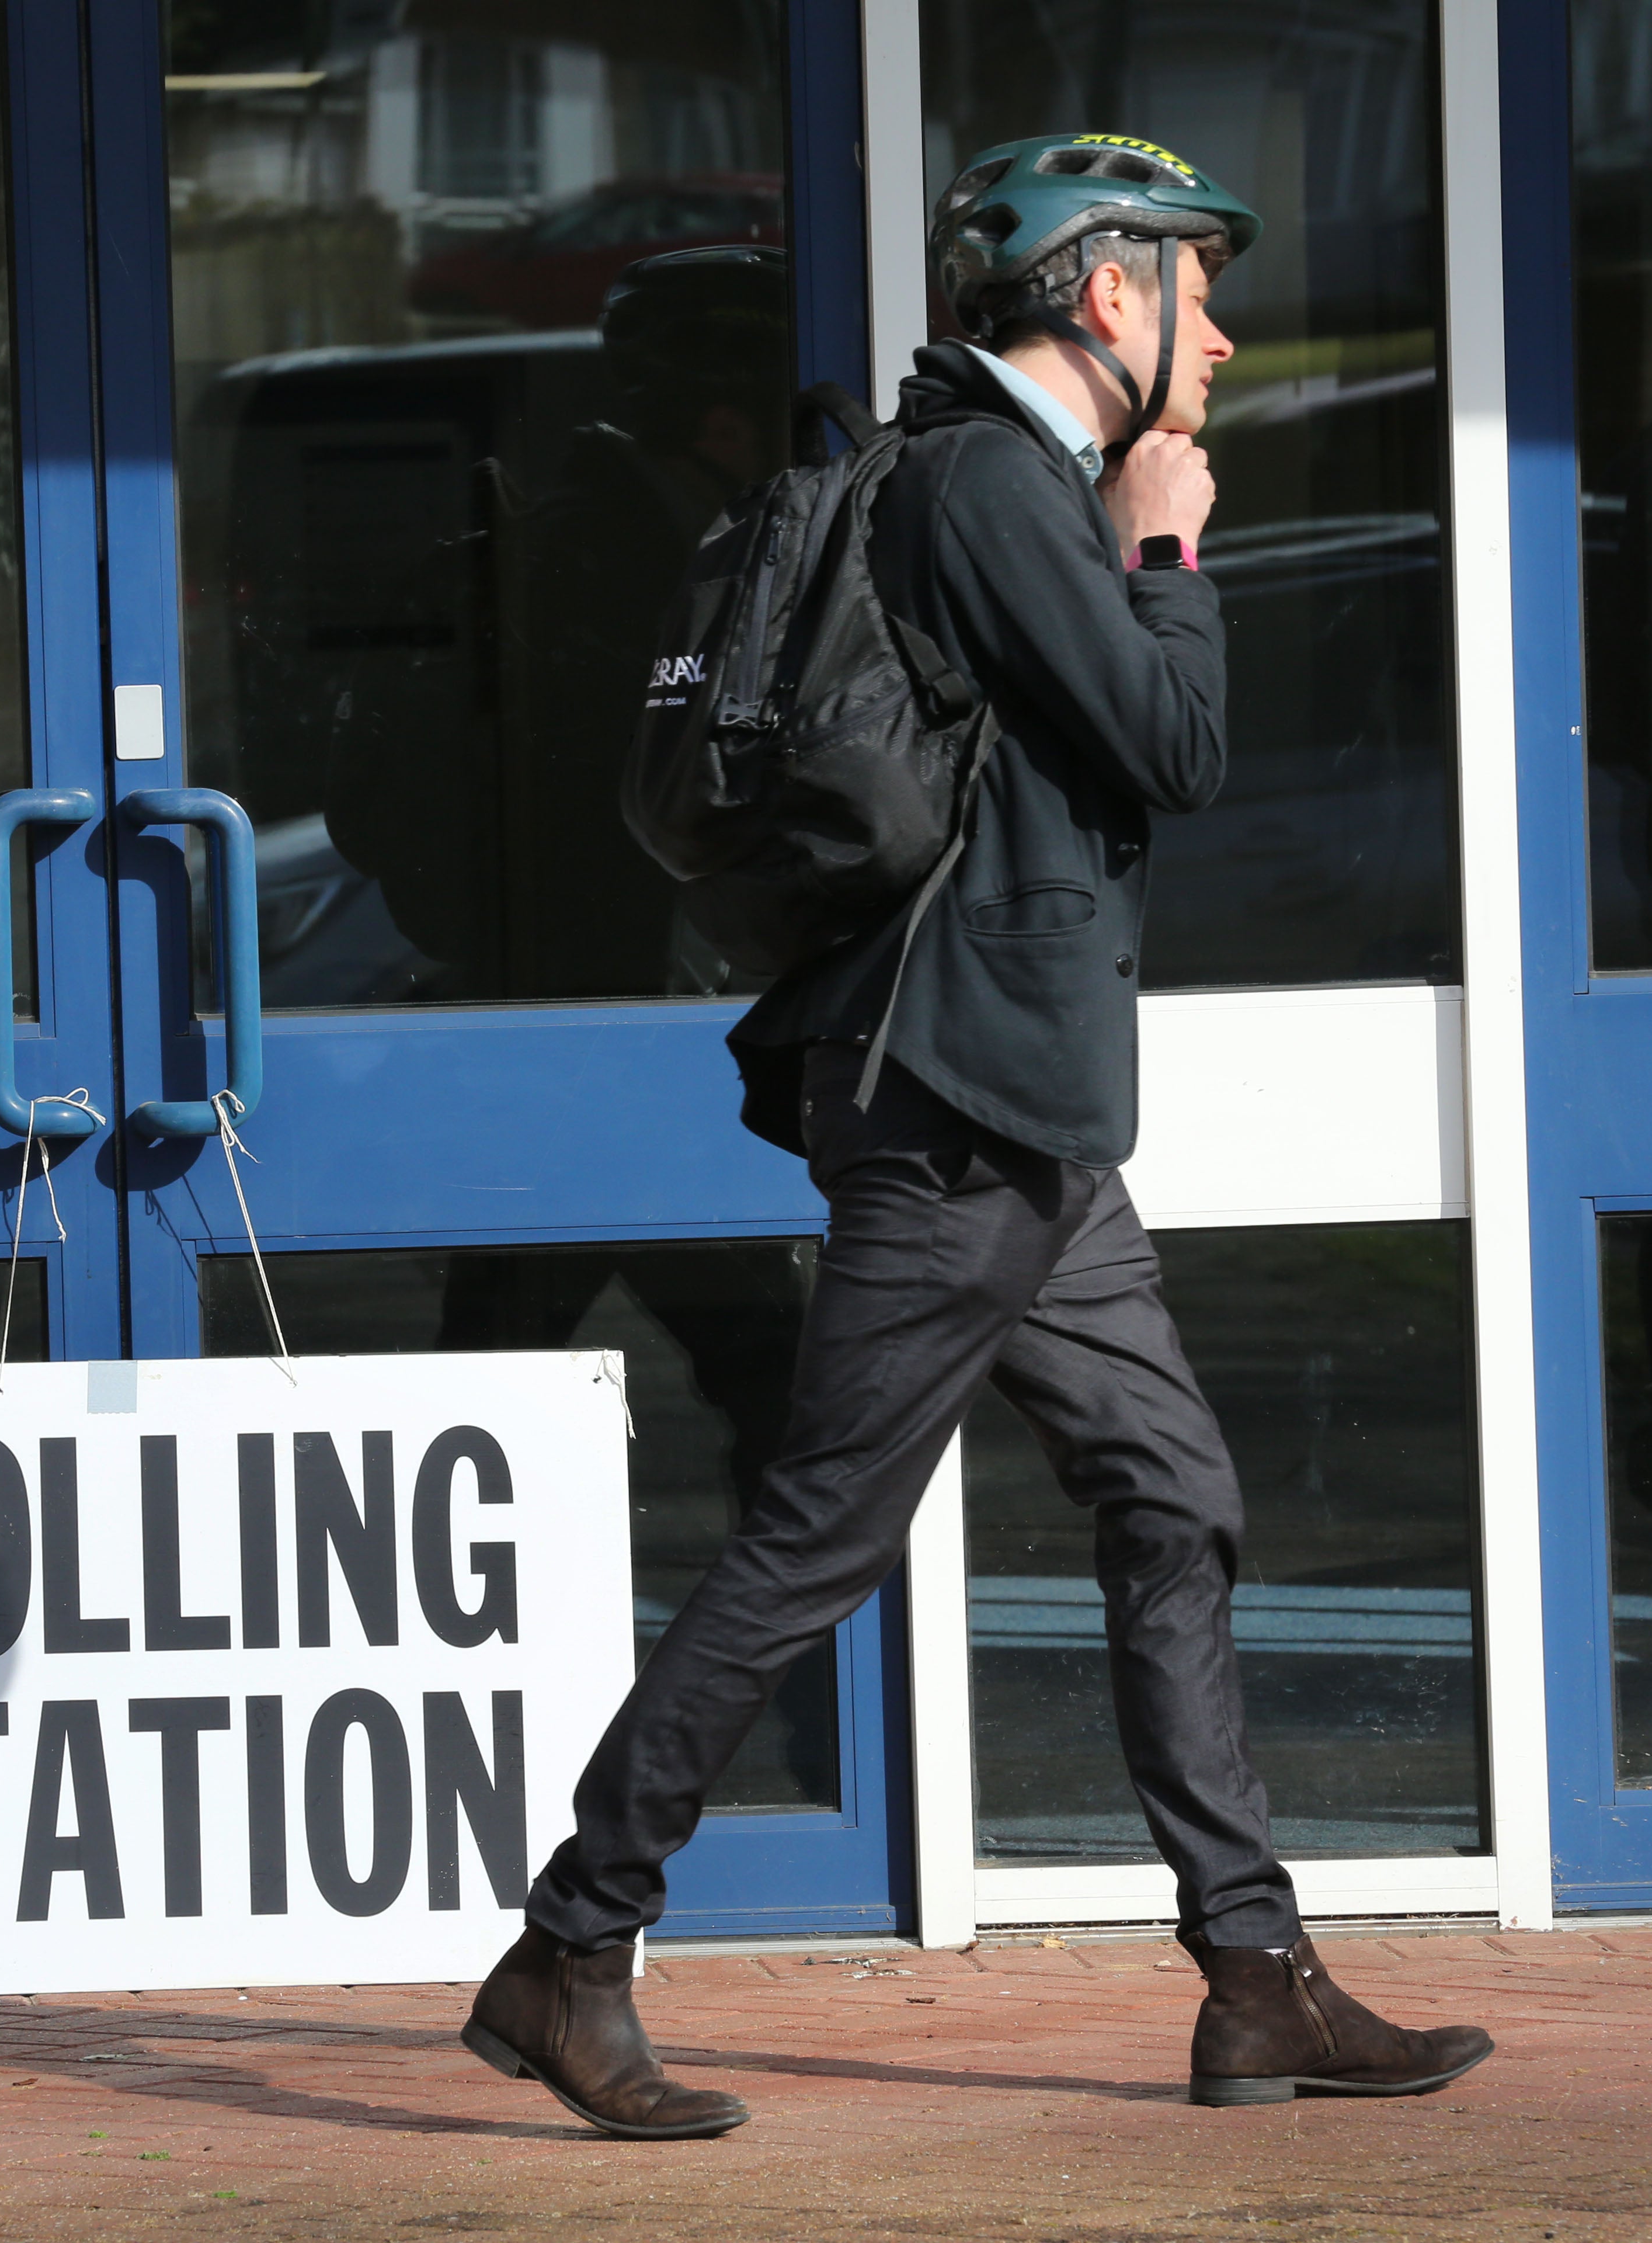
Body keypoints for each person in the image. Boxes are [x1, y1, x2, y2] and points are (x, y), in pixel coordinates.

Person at [457, 133, 1495, 2134]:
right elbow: (1172, 748)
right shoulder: (997, 483)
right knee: (815, 1534)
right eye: (1201, 279)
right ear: (1109, 294)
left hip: (1015, 1107)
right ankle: (570, 1951)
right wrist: (1170, 540)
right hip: (957, 1114)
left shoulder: (989, 481)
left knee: (1171, 1497)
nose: (1226, 327)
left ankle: (1257, 1979)